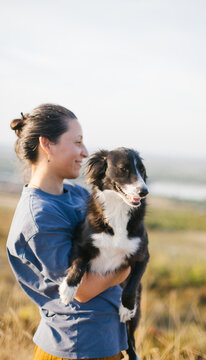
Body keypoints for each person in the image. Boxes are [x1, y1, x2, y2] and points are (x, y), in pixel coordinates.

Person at [6, 104, 130, 360]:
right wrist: (126, 267)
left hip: (105, 341)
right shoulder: (39, 217)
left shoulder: (76, 194)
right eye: (77, 142)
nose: (85, 152)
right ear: (47, 144)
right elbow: (82, 289)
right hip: (75, 346)